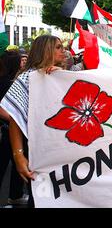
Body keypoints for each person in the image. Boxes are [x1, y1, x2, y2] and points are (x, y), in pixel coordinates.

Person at [0, 35, 66, 208]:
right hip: (37, 149)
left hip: (58, 150)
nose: (63, 50)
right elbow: (14, 117)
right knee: (40, 197)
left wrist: (61, 77)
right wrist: (19, 155)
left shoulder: (63, 76)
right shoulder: (29, 78)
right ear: (46, 50)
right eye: (58, 47)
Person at [0, 50, 28, 207]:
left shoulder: (13, 80)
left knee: (17, 163)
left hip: (10, 129)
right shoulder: (6, 83)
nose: (22, 62)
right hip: (7, 130)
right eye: (20, 60)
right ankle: (14, 196)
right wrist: (17, 118)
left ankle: (15, 195)